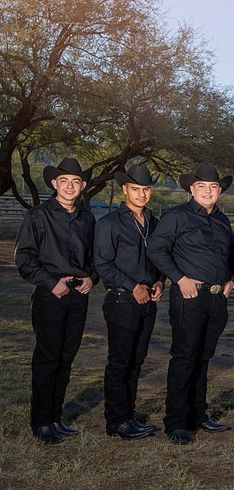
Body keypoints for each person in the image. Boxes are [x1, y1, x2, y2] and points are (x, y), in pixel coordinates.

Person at [147, 163, 234, 445]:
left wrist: (231, 280)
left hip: (216, 299)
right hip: (189, 296)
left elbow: (232, 254)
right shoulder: (177, 217)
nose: (208, 191)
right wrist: (178, 278)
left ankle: (198, 414)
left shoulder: (223, 220)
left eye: (213, 187)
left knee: (203, 358)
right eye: (202, 187)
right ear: (191, 189)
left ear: (219, 190)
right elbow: (155, 249)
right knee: (185, 357)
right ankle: (176, 422)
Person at [15, 157, 97, 444]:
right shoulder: (38, 216)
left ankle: (56, 416)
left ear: (83, 185)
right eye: (64, 181)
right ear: (54, 183)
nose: (70, 186)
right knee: (48, 358)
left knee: (66, 358)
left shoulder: (87, 217)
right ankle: (41, 421)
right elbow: (24, 257)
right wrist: (51, 282)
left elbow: (94, 257)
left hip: (79, 296)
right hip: (50, 295)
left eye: (76, 181)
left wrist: (91, 277)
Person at [94, 164, 164, 439]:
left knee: (137, 361)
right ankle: (116, 421)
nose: (142, 194)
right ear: (125, 189)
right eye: (136, 189)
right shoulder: (109, 223)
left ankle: (128, 414)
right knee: (120, 361)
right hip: (122, 300)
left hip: (148, 300)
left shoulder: (155, 223)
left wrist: (159, 281)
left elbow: (159, 259)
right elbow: (102, 263)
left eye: (146, 189)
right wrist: (132, 285)